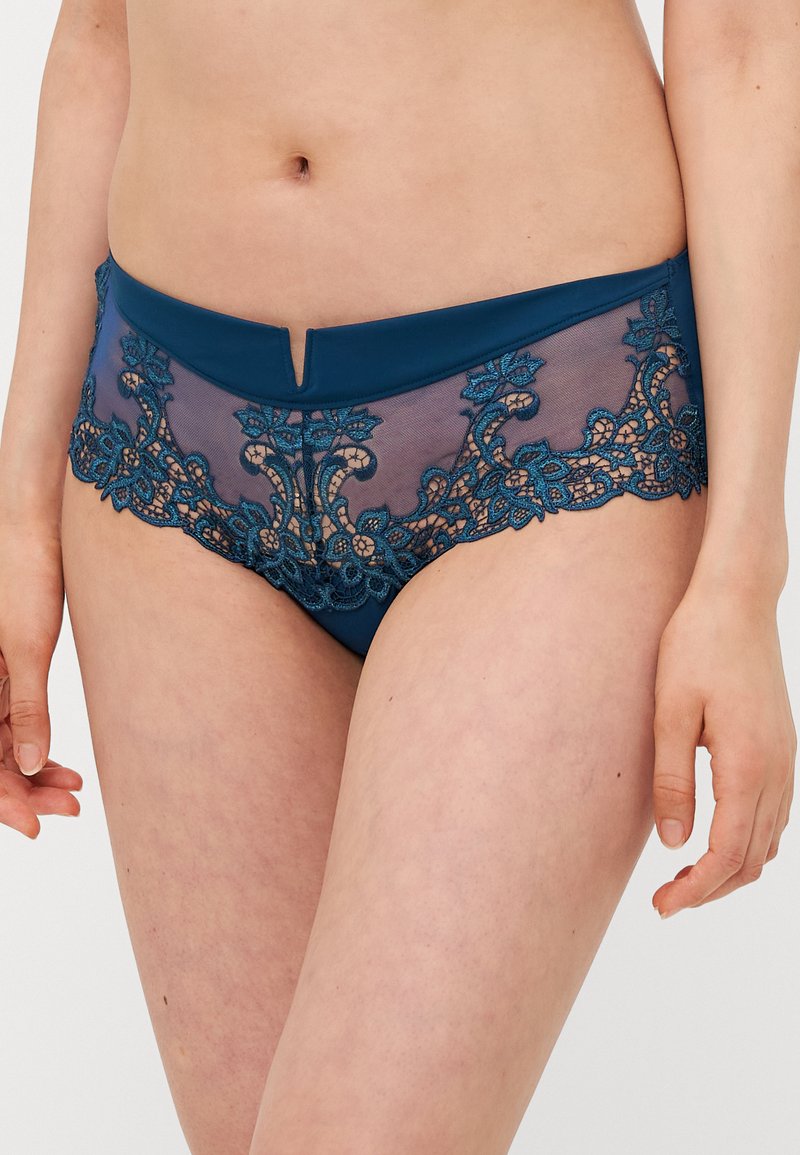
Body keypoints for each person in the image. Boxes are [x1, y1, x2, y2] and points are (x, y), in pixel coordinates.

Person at [0, 2, 797, 1153]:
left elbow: (740, 36)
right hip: (164, 440)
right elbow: (99, 31)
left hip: (547, 425)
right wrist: (20, 515)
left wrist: (743, 572)